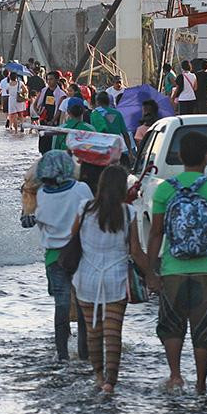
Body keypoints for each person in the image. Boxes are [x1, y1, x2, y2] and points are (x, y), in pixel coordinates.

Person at [146, 131, 207, 394]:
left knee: (171, 326)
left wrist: (150, 272)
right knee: (205, 329)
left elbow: (156, 233)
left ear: (180, 157)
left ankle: (175, 376)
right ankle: (201, 385)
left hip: (172, 269)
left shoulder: (165, 189)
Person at [71, 165, 152, 392]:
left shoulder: (85, 208)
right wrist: (152, 275)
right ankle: (110, 382)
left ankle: (98, 375)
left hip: (86, 277)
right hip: (116, 279)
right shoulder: (129, 213)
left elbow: (72, 238)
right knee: (113, 333)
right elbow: (135, 251)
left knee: (93, 332)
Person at [34, 150, 91, 362]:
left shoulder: (41, 193)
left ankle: (62, 355)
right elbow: (91, 216)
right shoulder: (82, 189)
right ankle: (84, 353)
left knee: (62, 304)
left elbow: (41, 224)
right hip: (80, 254)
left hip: (54, 259)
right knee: (84, 305)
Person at [90, 91, 132, 163]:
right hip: (115, 147)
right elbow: (125, 134)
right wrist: (130, 151)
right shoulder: (117, 113)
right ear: (109, 102)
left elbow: (93, 132)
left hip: (100, 147)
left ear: (97, 102)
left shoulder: (94, 114)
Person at [33, 73, 68, 153]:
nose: (49, 81)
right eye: (48, 79)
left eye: (51, 79)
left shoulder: (61, 94)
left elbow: (59, 109)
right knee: (42, 144)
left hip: (53, 123)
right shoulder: (44, 91)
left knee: (51, 144)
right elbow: (35, 104)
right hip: (43, 121)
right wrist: (38, 113)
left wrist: (53, 121)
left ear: (56, 80)